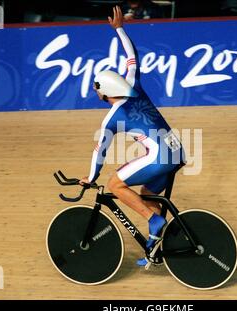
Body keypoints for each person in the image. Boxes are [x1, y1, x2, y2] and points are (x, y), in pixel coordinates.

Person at [80, 6, 186, 267]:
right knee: (148, 194)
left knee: (115, 184)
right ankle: (155, 244)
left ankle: (154, 221)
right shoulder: (134, 85)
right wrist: (119, 30)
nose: (97, 95)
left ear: (104, 92)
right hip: (178, 151)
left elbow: (99, 152)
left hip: (160, 157)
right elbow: (132, 57)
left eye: (98, 91)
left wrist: (90, 178)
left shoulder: (111, 118)